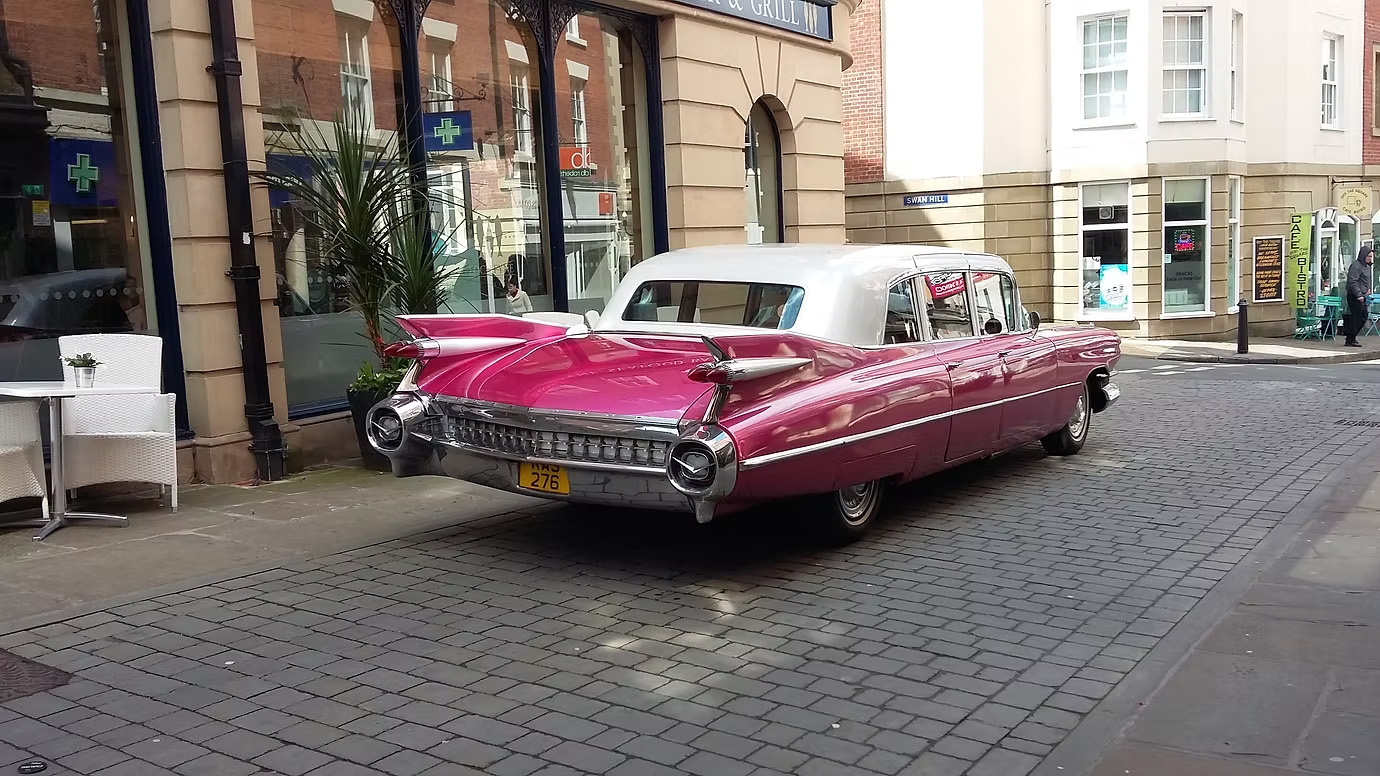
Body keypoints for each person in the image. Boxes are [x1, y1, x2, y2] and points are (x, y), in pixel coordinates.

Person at [1344, 245, 1374, 347]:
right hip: (1355, 296)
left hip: (1363, 294)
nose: (1370, 258)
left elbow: (1364, 280)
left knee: (1363, 316)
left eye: (1371, 256)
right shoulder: (1356, 265)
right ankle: (1350, 338)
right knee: (1358, 317)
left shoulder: (1365, 266)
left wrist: (1367, 289)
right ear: (1363, 255)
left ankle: (1351, 337)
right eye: (1369, 256)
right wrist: (1359, 295)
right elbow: (1352, 281)